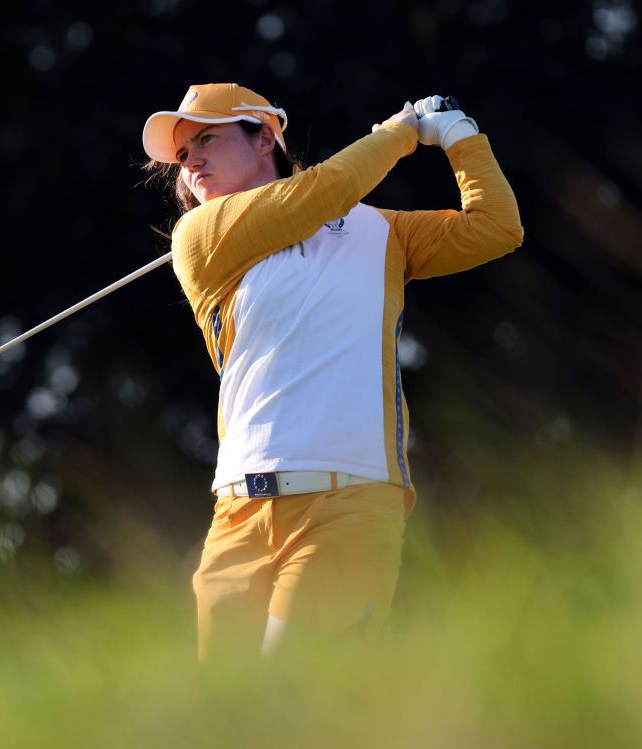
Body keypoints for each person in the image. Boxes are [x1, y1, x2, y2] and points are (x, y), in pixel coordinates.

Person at [141, 83, 523, 661]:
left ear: (266, 137)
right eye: (182, 155)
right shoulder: (201, 235)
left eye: (206, 139)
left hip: (350, 504)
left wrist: (461, 136)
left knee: (288, 699)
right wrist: (396, 135)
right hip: (238, 515)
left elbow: (496, 227)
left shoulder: (384, 233)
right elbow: (321, 193)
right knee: (226, 721)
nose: (189, 161)